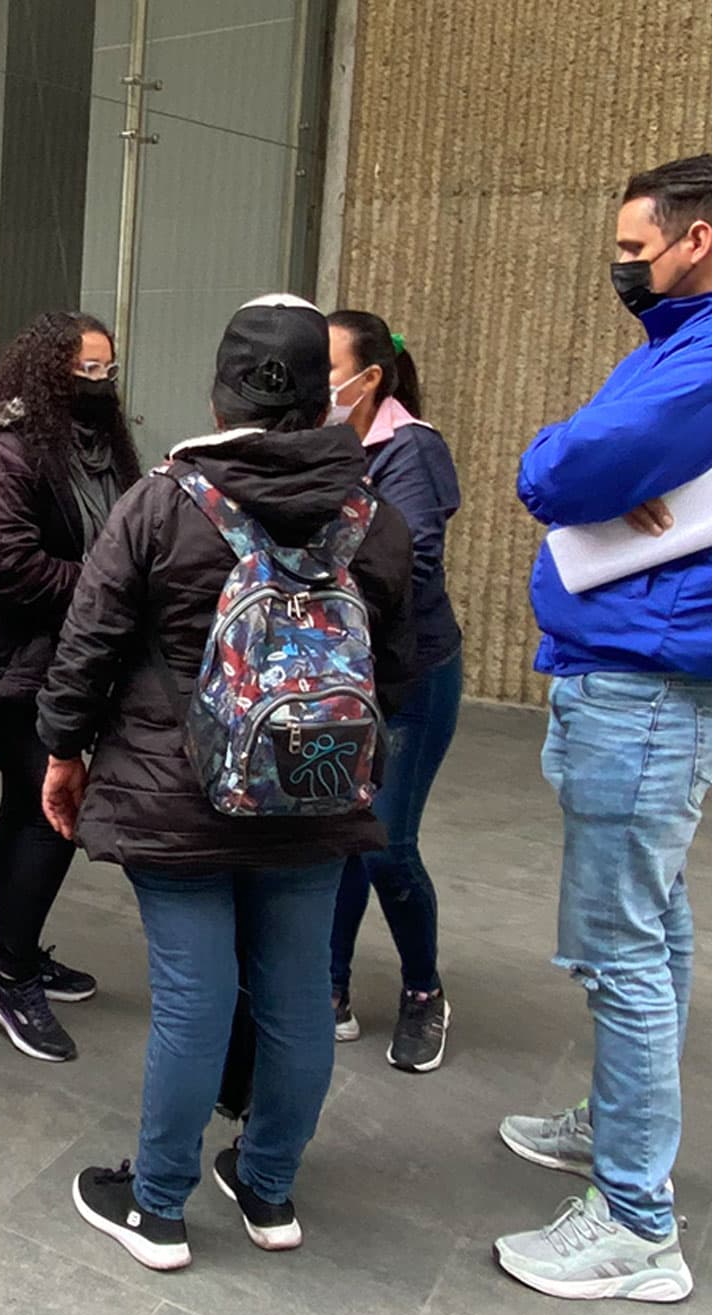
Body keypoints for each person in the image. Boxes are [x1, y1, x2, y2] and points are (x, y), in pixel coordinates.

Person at [494, 154, 712, 1304]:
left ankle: (637, 1218)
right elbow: (600, 456)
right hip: (653, 670)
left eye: (634, 248)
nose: (621, 266)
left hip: (652, 677)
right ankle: (615, 1125)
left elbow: (562, 464)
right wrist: (597, 463)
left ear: (698, 239)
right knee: (658, 915)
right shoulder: (707, 345)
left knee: (620, 944)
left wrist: (577, 465)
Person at [51, 295, 415, 1273]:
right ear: (320, 392)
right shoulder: (372, 515)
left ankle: (158, 1206)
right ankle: (267, 1186)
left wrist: (62, 750)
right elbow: (401, 661)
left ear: (221, 389)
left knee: (191, 989)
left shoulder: (164, 501)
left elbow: (87, 641)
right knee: (296, 988)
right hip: (317, 785)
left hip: (178, 787)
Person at [0, 311, 138, 1063]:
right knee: (54, 807)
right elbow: (4, 562)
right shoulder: (3, 448)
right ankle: (11, 973)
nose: (98, 382)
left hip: (62, 660)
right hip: (6, 665)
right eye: (84, 370)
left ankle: (17, 948)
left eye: (106, 370)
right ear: (44, 371)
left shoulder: (96, 445)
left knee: (28, 804)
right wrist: (107, 591)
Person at [323, 310, 464, 1072]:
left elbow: (402, 568)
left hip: (411, 676)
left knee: (386, 842)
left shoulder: (412, 451)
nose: (316, 386)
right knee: (342, 833)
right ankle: (330, 987)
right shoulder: (323, 443)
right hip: (344, 676)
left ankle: (422, 991)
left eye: (328, 368)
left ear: (369, 378)